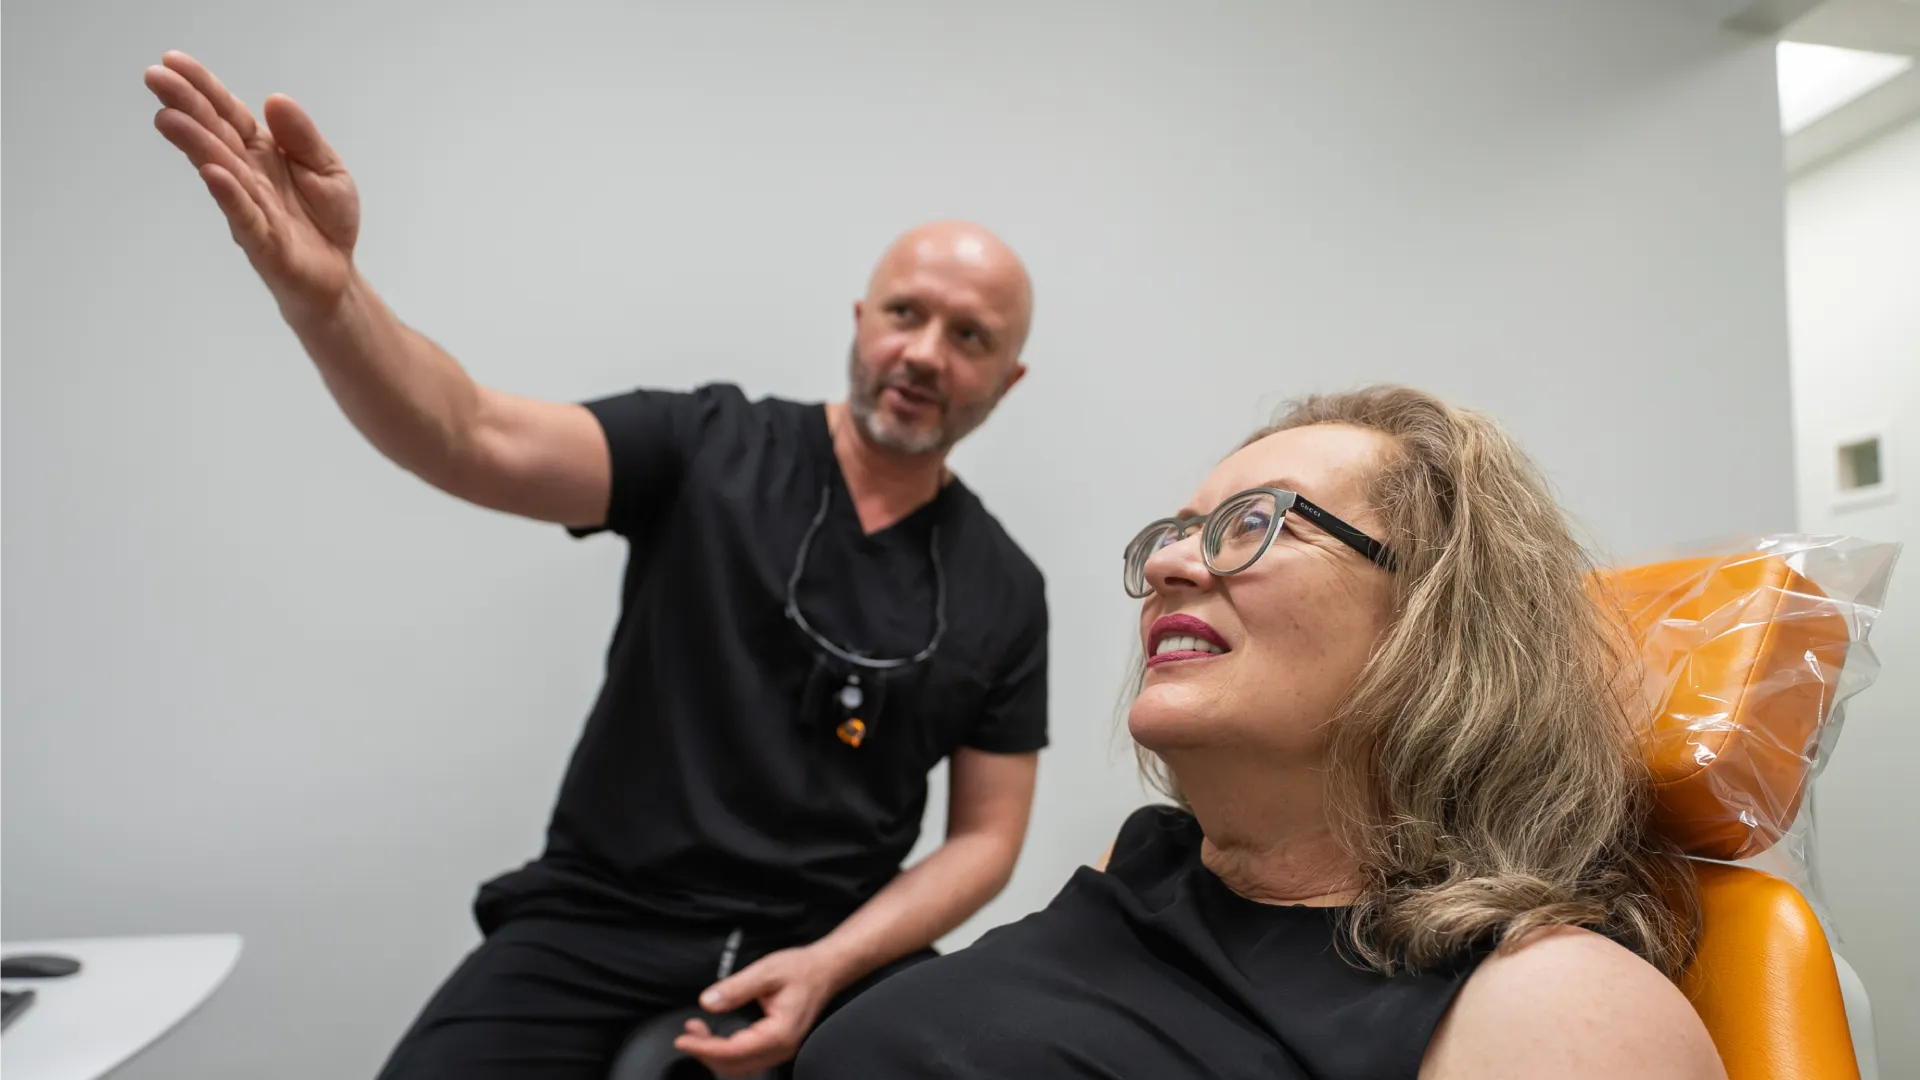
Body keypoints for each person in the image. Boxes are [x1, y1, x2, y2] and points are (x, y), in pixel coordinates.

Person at [142, 50, 1050, 1079]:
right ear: (861, 320)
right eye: (907, 313)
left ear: (1006, 379)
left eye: (969, 336)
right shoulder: (709, 445)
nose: (927, 352)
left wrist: (830, 964)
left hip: (834, 946)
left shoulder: (1006, 589)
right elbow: (468, 431)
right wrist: (329, 295)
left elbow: (985, 839)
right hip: (602, 918)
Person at [796, 386, 1730, 1079]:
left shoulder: (1555, 1005)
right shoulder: (1151, 871)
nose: (1164, 562)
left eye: (1253, 524)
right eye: (1176, 531)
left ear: (1436, 620)